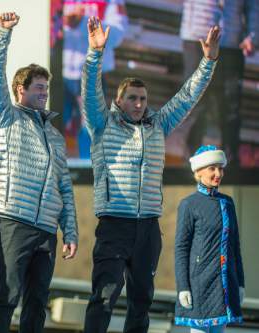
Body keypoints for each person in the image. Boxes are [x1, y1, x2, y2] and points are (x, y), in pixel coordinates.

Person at [80, 16, 220, 333]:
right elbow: (90, 91)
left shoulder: (159, 125)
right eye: (132, 98)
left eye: (143, 99)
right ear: (119, 100)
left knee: (141, 301)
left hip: (148, 229)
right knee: (103, 297)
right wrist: (95, 53)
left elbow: (187, 96)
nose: (140, 104)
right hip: (114, 224)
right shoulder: (102, 125)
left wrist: (208, 62)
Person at [0, 12, 79, 333]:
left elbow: (64, 184)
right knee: (7, 295)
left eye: (46, 88)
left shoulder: (53, 134)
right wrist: (2, 33)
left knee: (38, 301)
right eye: (38, 87)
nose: (44, 93)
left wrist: (71, 230)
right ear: (19, 90)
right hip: (14, 220)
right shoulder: (5, 116)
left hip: (46, 230)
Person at [167, 0, 259, 166]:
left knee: (230, 105)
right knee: (195, 101)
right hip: (198, 37)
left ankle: (230, 165)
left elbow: (253, 4)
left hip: (232, 39)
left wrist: (253, 35)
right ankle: (191, 163)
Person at [175, 145, 245, 333]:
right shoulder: (189, 205)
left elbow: (234, 246)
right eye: (212, 168)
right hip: (200, 286)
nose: (218, 173)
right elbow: (181, 249)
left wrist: (239, 283)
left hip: (224, 287)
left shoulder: (227, 202)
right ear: (199, 171)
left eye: (220, 168)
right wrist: (183, 287)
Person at [61, 0, 128, 158]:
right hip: (57, 72)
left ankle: (90, 172)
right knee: (51, 126)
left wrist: (82, 23)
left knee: (91, 130)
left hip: (92, 74)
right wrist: (66, 24)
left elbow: (117, 35)